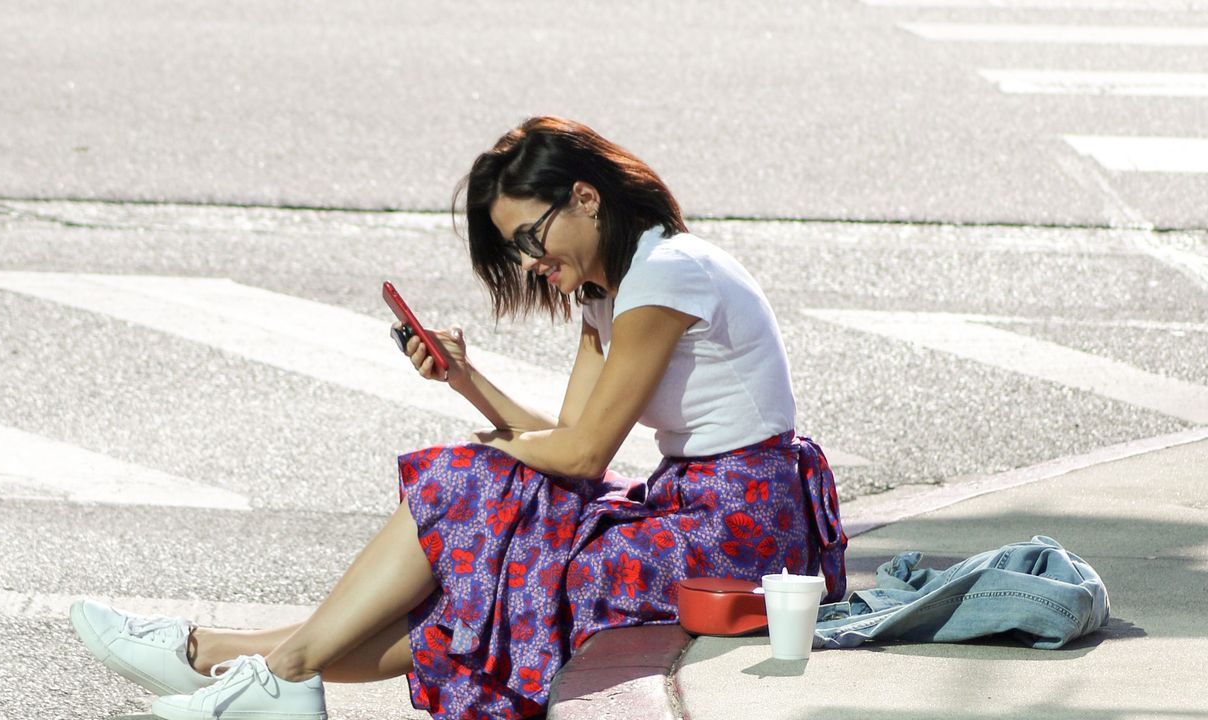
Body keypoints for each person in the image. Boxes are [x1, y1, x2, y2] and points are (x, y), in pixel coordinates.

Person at [69, 116, 848, 720]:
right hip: (691, 512)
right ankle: (250, 668)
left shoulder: (669, 275)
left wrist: (483, 466)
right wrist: (466, 381)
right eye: (517, 250)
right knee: (492, 563)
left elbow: (578, 455)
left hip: (742, 530)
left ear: (585, 195)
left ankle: (237, 665)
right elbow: (567, 430)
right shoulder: (611, 294)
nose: (532, 261)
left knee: (484, 516)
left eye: (533, 236)